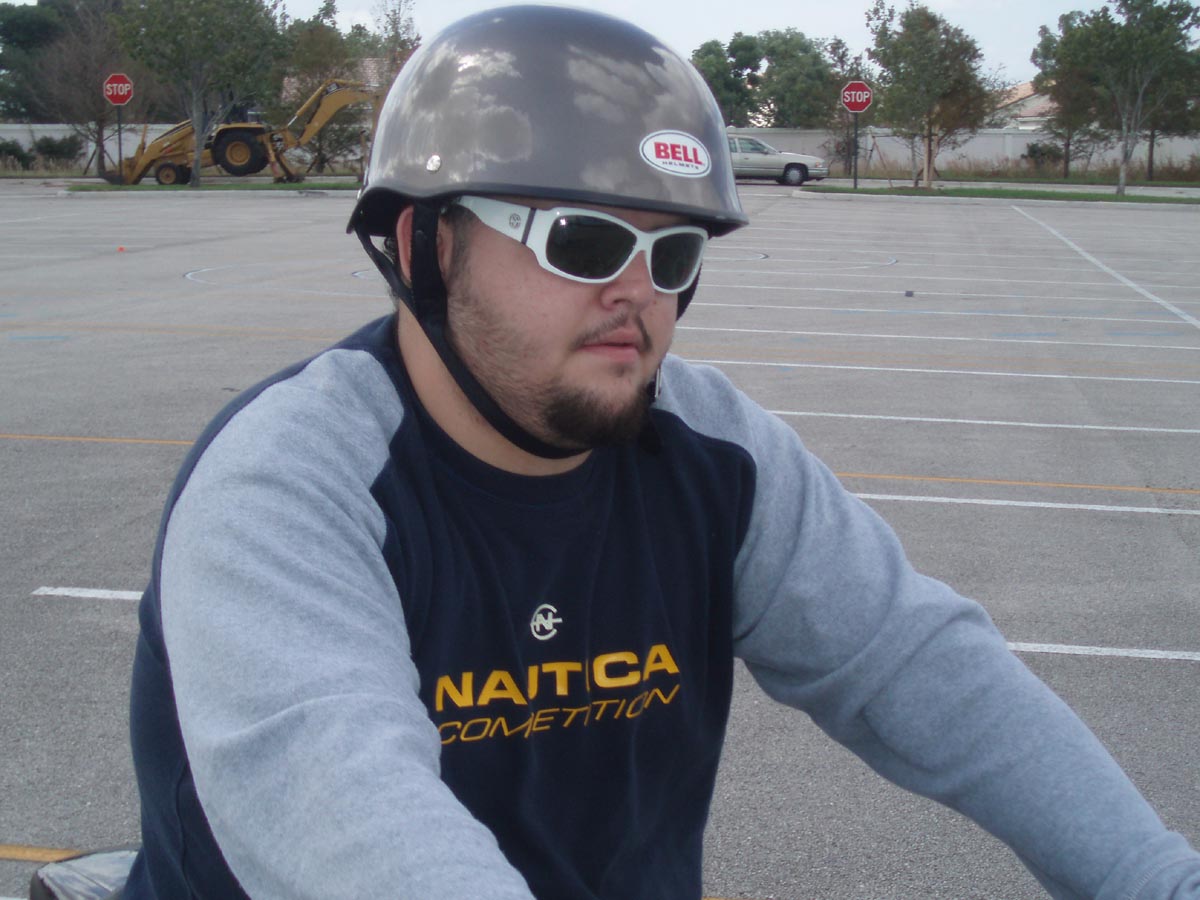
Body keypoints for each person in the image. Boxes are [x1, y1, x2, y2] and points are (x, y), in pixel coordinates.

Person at [123, 5, 1200, 899]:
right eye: (582, 240)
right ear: (425, 244)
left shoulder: (713, 453)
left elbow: (920, 668)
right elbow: (346, 808)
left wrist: (1152, 878)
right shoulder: (290, 482)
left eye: (672, 250)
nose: (637, 291)